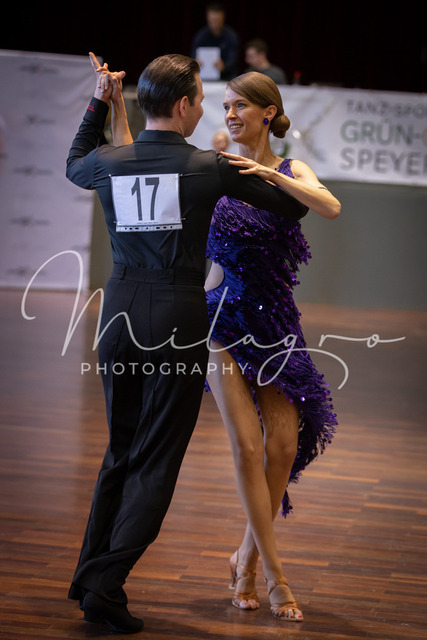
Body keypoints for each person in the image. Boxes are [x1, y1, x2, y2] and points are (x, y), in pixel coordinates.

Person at [66, 54, 307, 634]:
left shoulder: (109, 161)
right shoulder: (207, 167)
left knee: (120, 451)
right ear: (183, 106)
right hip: (175, 318)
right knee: (156, 460)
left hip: (117, 314)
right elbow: (294, 204)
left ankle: (90, 579)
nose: (205, 109)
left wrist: (101, 99)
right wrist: (267, 170)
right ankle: (103, 584)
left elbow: (74, 161)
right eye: (201, 99)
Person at [204, 71, 340, 622]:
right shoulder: (217, 166)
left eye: (241, 105)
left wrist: (267, 175)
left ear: (267, 112)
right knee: (248, 449)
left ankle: (244, 555)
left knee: (282, 447)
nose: (230, 114)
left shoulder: (290, 170)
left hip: (276, 323)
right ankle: (271, 575)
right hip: (220, 320)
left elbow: (329, 206)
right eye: (226, 106)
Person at [191, 3, 239, 80]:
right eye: (212, 20)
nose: (214, 24)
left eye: (217, 20)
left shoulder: (231, 36)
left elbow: (233, 59)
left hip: (227, 78)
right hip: (204, 78)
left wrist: (224, 66)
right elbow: (193, 56)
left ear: (223, 18)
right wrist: (196, 63)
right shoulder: (201, 36)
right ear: (207, 18)